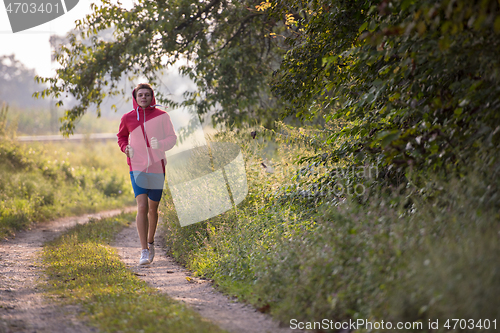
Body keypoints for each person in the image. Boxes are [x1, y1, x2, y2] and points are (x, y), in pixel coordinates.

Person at [117, 83, 177, 265]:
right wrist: (125, 148)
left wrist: (160, 144)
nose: (143, 97)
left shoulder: (162, 117)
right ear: (135, 97)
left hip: (157, 167)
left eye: (147, 95)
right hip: (136, 167)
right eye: (140, 95)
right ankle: (143, 250)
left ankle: (151, 241)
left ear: (152, 97)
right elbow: (121, 137)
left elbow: (172, 138)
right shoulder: (128, 117)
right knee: (142, 207)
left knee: (153, 208)